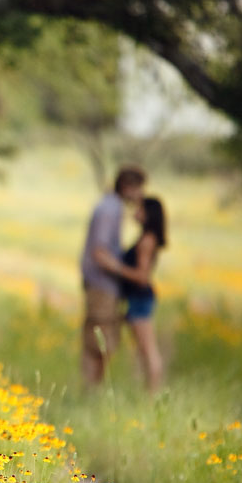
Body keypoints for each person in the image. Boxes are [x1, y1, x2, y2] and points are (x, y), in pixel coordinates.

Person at [80, 166, 146, 387]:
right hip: (102, 284)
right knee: (101, 342)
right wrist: (130, 274)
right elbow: (100, 253)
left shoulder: (109, 206)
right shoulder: (111, 209)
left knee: (98, 340)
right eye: (139, 189)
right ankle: (92, 391)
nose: (140, 195)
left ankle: (91, 391)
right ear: (128, 187)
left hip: (101, 284)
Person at [97, 197, 167, 392]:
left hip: (139, 299)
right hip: (137, 299)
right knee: (143, 351)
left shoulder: (146, 240)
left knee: (148, 351)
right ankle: (150, 393)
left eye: (139, 209)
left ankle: (153, 396)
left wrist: (114, 266)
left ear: (148, 214)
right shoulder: (148, 237)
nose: (135, 213)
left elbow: (142, 277)